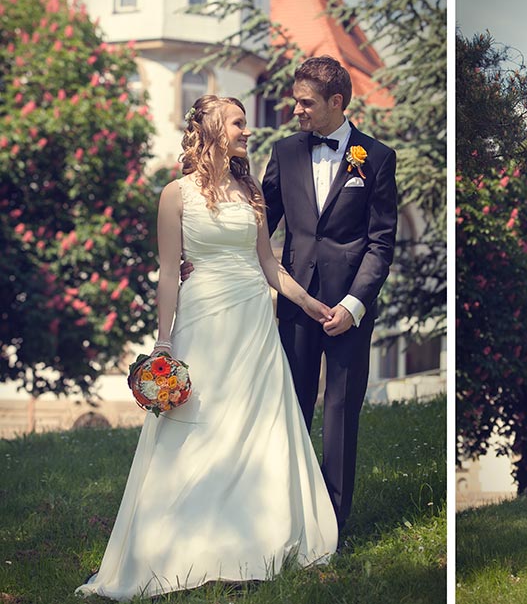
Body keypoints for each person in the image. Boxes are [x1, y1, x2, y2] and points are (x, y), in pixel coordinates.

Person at [76, 96, 338, 601]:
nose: (248, 131)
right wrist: (163, 340)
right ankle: (183, 545)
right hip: (201, 322)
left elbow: (269, 265)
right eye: (239, 123)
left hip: (254, 324)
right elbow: (170, 273)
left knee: (256, 430)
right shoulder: (175, 195)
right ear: (213, 129)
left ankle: (254, 542)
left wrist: (309, 304)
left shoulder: (251, 190)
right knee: (197, 430)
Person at [260, 56, 398, 532]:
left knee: (341, 413)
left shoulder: (376, 158)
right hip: (296, 305)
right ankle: (287, 516)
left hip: (348, 312)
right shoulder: (285, 153)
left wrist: (354, 306)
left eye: (306, 103)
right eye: (295, 101)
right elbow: (261, 227)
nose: (295, 110)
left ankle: (333, 526)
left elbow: (381, 244)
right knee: (292, 405)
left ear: (336, 102)